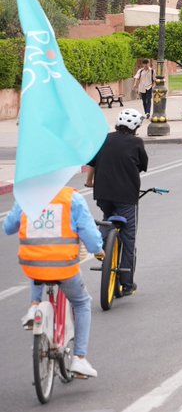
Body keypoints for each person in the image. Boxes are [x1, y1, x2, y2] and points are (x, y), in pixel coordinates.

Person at [6, 185, 103, 378]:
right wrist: (98, 249)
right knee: (82, 303)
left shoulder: (27, 196)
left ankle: (34, 306)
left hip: (32, 265)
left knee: (39, 266)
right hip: (63, 267)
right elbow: (91, 238)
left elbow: (8, 227)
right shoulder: (72, 198)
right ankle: (79, 358)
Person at [85, 108, 149, 296]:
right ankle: (127, 284)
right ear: (136, 127)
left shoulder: (104, 139)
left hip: (103, 194)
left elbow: (93, 163)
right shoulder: (136, 142)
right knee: (129, 237)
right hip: (127, 196)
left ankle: (102, 245)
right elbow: (142, 165)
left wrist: (89, 182)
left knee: (108, 217)